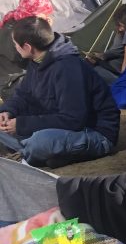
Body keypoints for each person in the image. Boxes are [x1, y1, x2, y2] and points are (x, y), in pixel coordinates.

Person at [0, 16, 119, 167]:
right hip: (57, 125)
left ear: (28, 47)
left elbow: (73, 120)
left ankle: (27, 153)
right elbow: (23, 96)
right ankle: (44, 152)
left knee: (41, 141)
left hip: (94, 132)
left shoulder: (68, 68)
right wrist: (7, 112)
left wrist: (22, 124)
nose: (15, 47)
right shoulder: (36, 62)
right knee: (23, 133)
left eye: (16, 44)